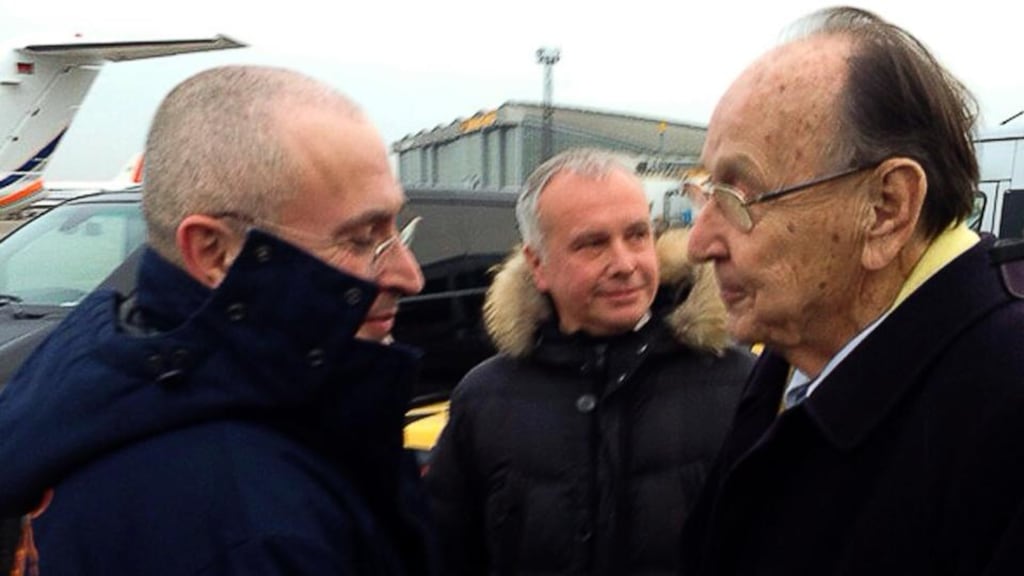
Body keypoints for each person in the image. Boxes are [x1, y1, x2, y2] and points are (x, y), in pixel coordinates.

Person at [0, 65, 434, 575]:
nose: (410, 275)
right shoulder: (247, 527)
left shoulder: (96, 388)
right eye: (361, 239)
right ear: (214, 252)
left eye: (396, 230)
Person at [680, 6, 1024, 575]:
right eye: (705, 191)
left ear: (886, 208)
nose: (698, 244)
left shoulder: (1002, 411)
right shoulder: (796, 352)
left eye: (739, 198)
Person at [425, 148, 754, 576]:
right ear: (538, 264)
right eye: (593, 244)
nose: (625, 264)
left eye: (637, 235)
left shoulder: (739, 384)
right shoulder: (483, 400)